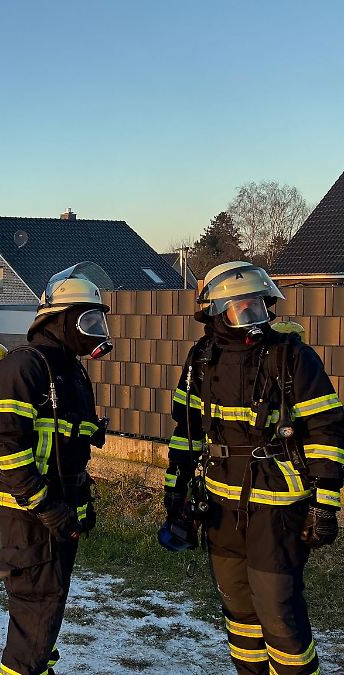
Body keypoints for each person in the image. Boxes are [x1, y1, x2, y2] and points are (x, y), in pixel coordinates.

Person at [162, 261, 343, 675]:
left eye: (258, 306)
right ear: (214, 310)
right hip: (220, 507)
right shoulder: (201, 359)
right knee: (239, 612)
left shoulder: (292, 356)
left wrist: (324, 504)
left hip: (279, 510)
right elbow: (185, 432)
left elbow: (326, 431)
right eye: (242, 307)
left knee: (279, 613)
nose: (253, 316)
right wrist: (176, 492)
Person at [0, 263, 112, 675]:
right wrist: (45, 505)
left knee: (50, 598)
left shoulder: (69, 370)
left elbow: (68, 444)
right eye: (86, 319)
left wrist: (80, 498)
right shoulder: (23, 368)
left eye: (98, 319)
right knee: (36, 601)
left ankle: (39, 666)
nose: (94, 329)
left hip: (58, 503)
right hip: (28, 511)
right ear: (58, 320)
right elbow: (7, 445)